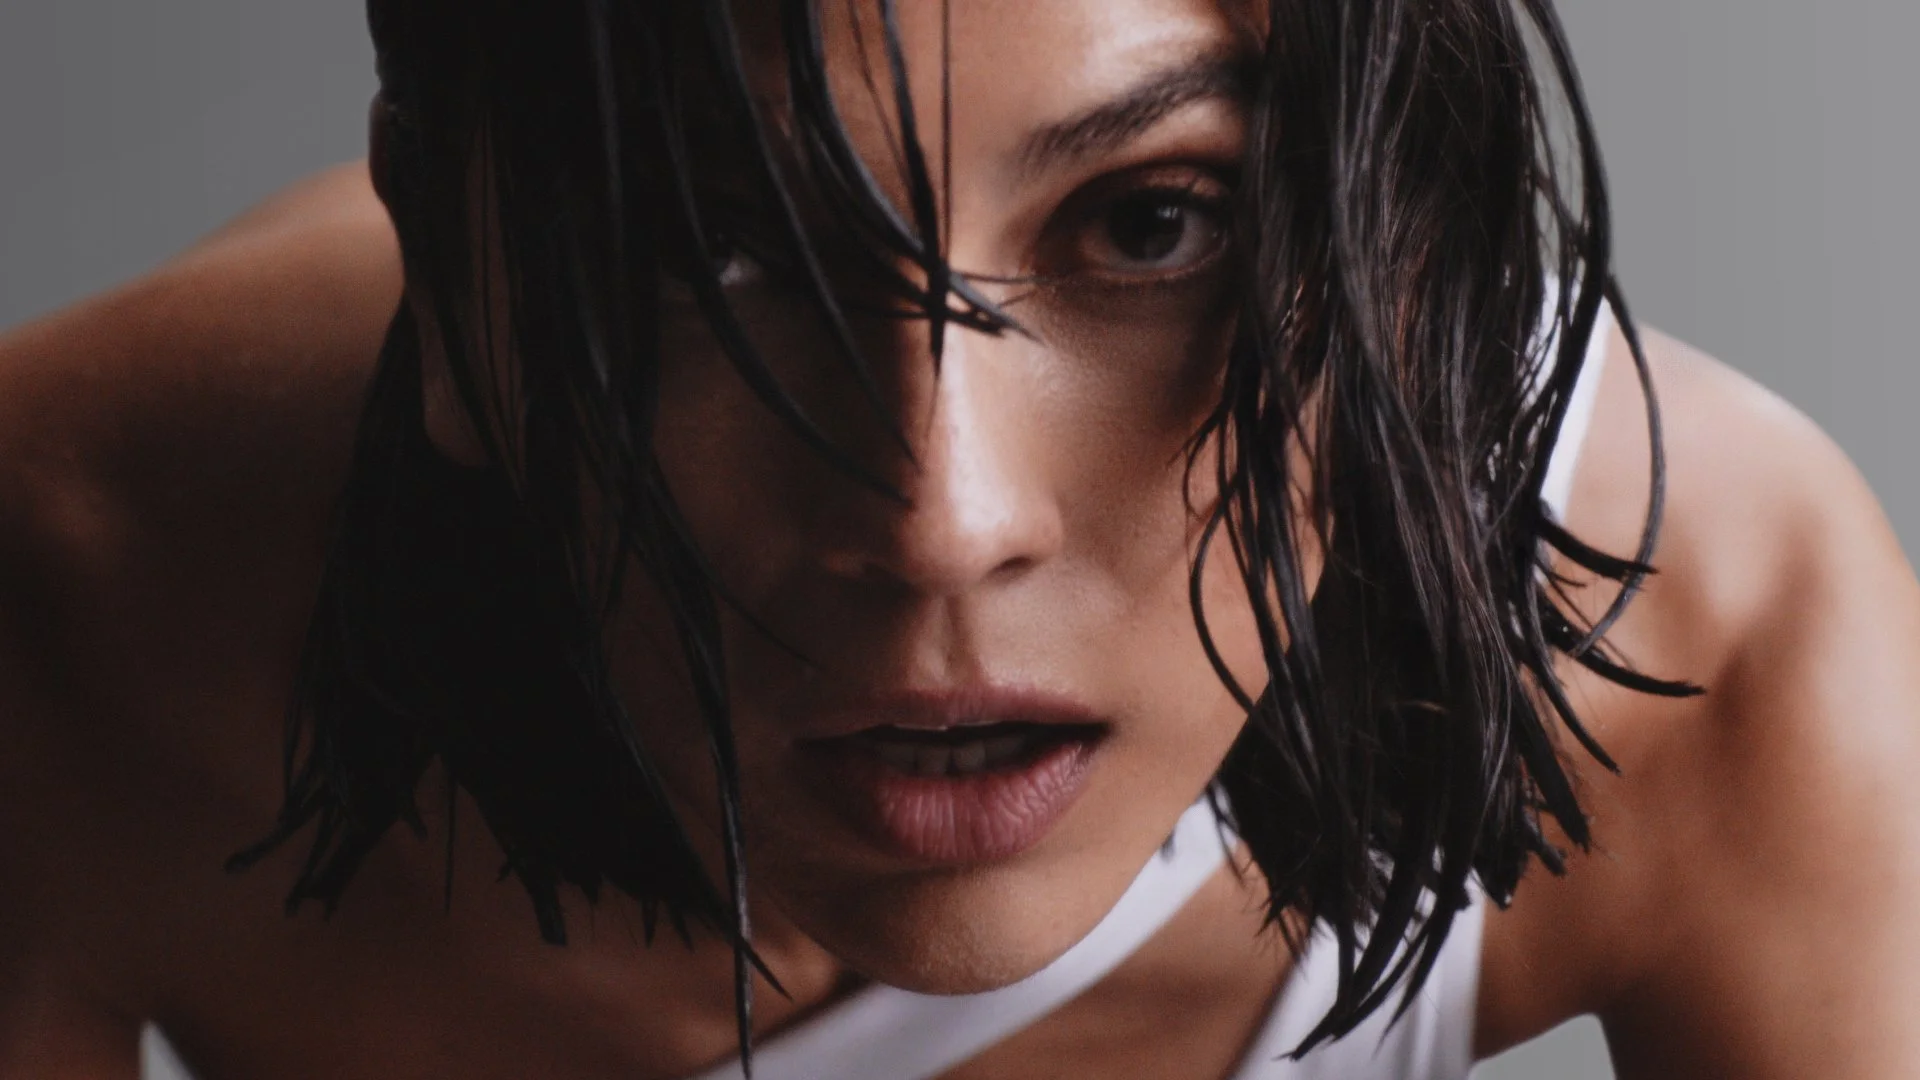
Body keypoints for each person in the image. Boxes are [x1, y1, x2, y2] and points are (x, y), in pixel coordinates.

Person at [3, 0, 1918, 1077]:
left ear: (1420, 255)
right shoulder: (73, 601)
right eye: (711, 245)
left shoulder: (1711, 636)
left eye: (1154, 222)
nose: (941, 525)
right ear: (456, 290)